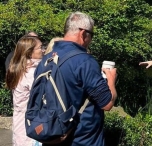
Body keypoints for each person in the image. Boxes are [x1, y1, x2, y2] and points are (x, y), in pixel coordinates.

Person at [34, 12, 117, 145]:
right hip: (82, 139)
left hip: (52, 135)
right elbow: (107, 104)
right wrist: (111, 79)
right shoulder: (85, 61)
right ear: (83, 33)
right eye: (92, 35)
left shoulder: (46, 60)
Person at [5, 36, 45, 146]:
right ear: (29, 52)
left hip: (20, 121)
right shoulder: (31, 73)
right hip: (30, 124)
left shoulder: (19, 69)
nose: (43, 50)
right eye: (40, 48)